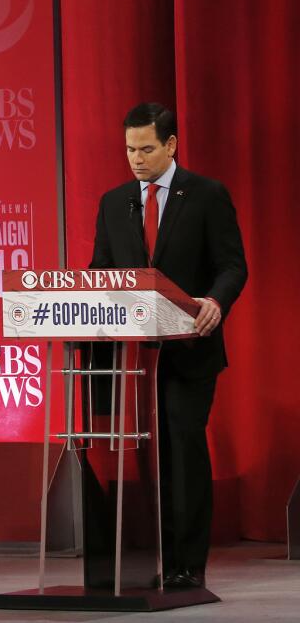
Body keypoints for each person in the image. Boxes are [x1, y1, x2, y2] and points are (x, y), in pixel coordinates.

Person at [90, 102, 247, 588]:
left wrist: (216, 303)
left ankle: (186, 566)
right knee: (144, 457)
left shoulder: (205, 195)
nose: (135, 158)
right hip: (130, 356)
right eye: (129, 150)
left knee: (183, 449)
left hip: (189, 349)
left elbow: (232, 265)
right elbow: (100, 271)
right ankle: (148, 558)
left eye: (146, 148)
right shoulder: (114, 202)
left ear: (171, 145)